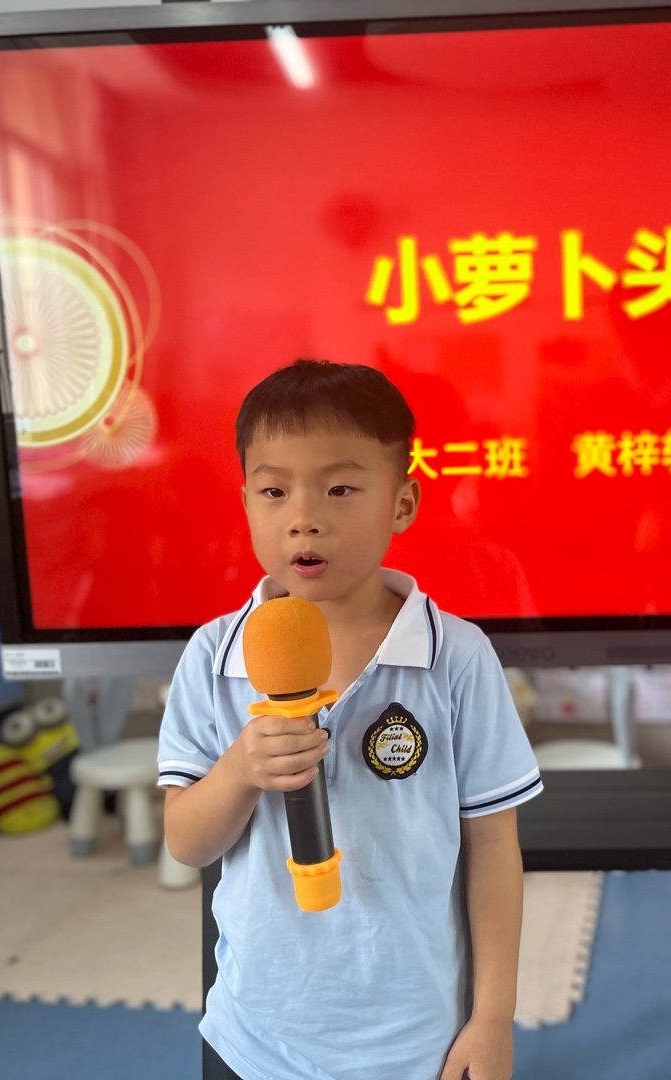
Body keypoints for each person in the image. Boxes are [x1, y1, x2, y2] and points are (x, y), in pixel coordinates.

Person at [159, 360, 541, 1080]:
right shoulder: (214, 655)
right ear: (246, 503)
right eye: (274, 490)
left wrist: (493, 1017)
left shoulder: (456, 656)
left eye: (340, 488)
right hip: (255, 1040)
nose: (304, 516)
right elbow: (186, 841)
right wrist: (240, 770)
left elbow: (494, 845)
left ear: (402, 503)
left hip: (416, 1043)